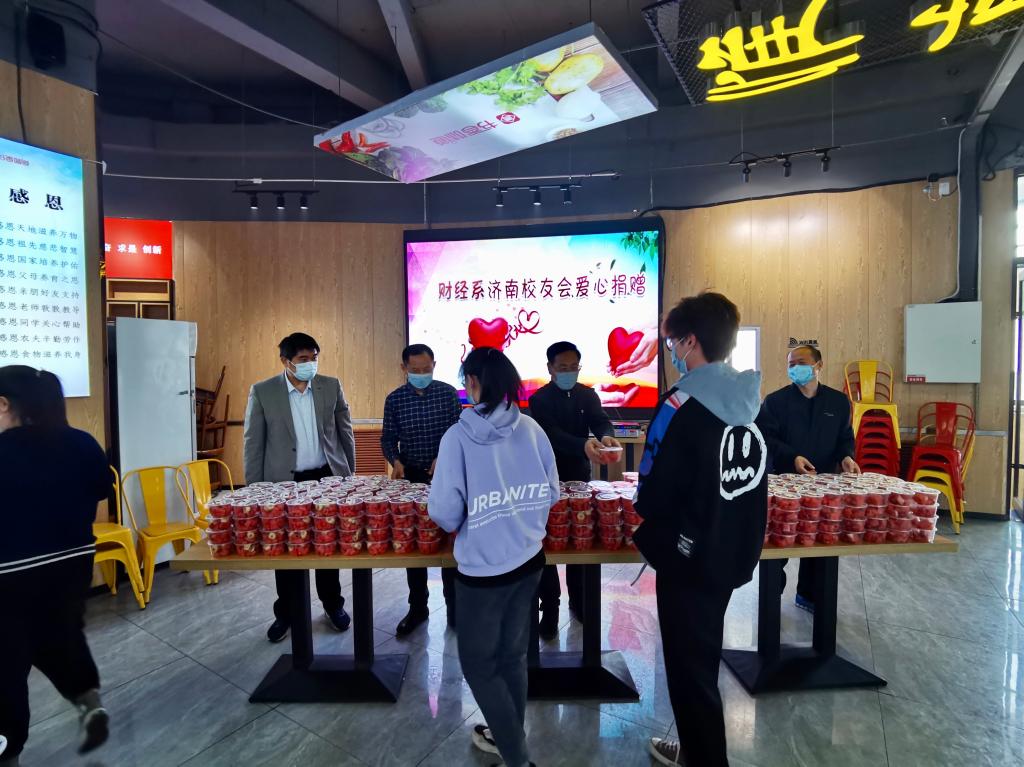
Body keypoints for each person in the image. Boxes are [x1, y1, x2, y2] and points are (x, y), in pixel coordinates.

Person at [633, 293, 768, 767]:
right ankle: (695, 749)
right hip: (732, 552)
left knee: (689, 674)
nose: (671, 351)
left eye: (673, 342)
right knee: (703, 658)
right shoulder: (751, 401)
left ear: (690, 341)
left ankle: (705, 758)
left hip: (686, 559)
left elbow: (651, 491)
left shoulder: (679, 404)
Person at [428, 347, 558, 767]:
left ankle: (517, 757)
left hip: (483, 572)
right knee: (513, 656)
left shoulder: (457, 438)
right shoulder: (532, 429)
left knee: (479, 665)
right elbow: (552, 492)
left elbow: (446, 512)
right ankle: (509, 736)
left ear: (473, 383)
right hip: (529, 560)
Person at [0, 366, 112, 766]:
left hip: (10, 576)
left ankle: (8, 750)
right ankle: (90, 703)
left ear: (4, 404)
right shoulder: (81, 442)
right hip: (72, 566)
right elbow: (100, 491)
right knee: (61, 636)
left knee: (7, 663)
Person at [243, 332, 355, 642]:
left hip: (325, 478)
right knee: (287, 550)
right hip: (284, 483)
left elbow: (345, 431)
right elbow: (253, 442)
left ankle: (333, 605)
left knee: (327, 546)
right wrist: (255, 489)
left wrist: (348, 474)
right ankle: (287, 613)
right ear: (285, 361)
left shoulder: (330, 386)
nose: (310, 364)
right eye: (303, 359)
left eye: (314, 358)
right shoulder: (264, 391)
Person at [756, 344, 859, 612]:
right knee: (778, 541)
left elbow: (845, 438)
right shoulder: (775, 402)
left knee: (819, 541)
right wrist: (793, 457)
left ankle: (808, 595)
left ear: (818, 365)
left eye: (800, 362)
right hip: (784, 484)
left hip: (823, 486)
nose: (794, 368)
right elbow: (766, 439)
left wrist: (846, 457)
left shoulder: (838, 402)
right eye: (790, 364)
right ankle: (771, 598)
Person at [528, 341, 621, 638]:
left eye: (573, 367)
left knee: (580, 540)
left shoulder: (587, 395)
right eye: (562, 368)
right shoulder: (539, 400)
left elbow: (601, 422)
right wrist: (582, 444)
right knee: (548, 544)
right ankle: (550, 608)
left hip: (580, 477)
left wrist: (606, 437)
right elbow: (551, 435)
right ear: (550, 368)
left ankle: (579, 603)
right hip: (547, 478)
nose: (569, 372)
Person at [381, 343, 462, 635]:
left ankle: (455, 609)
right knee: (415, 543)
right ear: (404, 368)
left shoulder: (448, 393)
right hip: (412, 476)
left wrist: (445, 456)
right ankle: (418, 608)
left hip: (448, 474)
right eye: (415, 369)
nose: (421, 373)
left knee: (449, 540)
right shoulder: (395, 399)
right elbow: (387, 438)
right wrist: (395, 461)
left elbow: (459, 431)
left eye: (426, 368)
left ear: (434, 365)